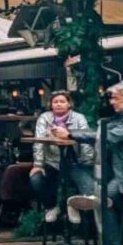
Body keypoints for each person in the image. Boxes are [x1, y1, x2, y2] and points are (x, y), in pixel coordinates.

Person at [56, 81, 123, 245]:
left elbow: (107, 135)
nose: (112, 102)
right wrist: (71, 134)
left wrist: (71, 135)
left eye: (116, 98)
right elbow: (100, 130)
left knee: (103, 201)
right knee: (101, 199)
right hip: (120, 173)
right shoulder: (121, 117)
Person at [31, 91, 94, 225]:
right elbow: (39, 142)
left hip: (75, 161)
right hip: (52, 162)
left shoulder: (79, 117)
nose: (59, 104)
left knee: (89, 189)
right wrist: (38, 165)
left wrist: (86, 161)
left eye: (62, 101)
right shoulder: (44, 118)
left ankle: (73, 204)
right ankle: (52, 206)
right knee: (36, 179)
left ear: (69, 104)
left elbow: (85, 139)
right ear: (51, 105)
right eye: (55, 102)